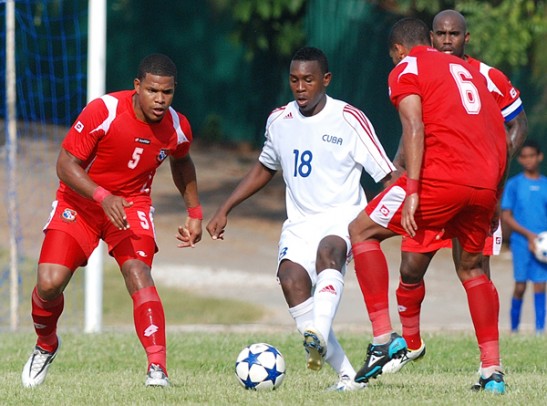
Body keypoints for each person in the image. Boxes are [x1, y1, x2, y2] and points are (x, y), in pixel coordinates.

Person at [206, 46, 395, 391]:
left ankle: (318, 333)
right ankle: (348, 376)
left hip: (343, 216)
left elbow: (386, 175)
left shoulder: (349, 118)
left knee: (329, 252)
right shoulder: (280, 120)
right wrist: (225, 207)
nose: (300, 87)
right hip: (300, 222)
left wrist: (403, 212)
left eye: (308, 80)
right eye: (294, 80)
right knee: (291, 279)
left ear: (326, 80)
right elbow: (265, 166)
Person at [21, 54, 202, 388]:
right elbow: (65, 165)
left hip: (132, 206)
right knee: (48, 282)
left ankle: (157, 368)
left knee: (138, 272)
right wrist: (102, 197)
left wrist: (194, 213)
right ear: (137, 86)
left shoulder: (177, 125)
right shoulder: (104, 111)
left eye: (167, 92)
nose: (160, 100)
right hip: (82, 202)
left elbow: (182, 160)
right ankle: (46, 345)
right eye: (152, 91)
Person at [348, 17, 507, 394]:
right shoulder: (470, 70)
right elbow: (499, 130)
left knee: (361, 230)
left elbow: (414, 127)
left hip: (440, 180)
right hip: (484, 183)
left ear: (398, 50)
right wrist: (494, 193)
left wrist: (415, 188)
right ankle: (492, 371)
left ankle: (384, 339)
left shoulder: (408, 67)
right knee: (472, 271)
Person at [382, 8, 528, 376]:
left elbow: (517, 123)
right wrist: (399, 165)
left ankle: (490, 360)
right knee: (411, 266)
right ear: (431, 38)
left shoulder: (486, 75)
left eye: (455, 34)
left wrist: (494, 170)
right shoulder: (427, 70)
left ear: (467, 39)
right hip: (435, 182)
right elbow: (415, 124)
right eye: (441, 34)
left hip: (474, 186)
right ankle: (412, 343)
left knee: (476, 267)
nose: (447, 40)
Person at [501, 139, 547, 335]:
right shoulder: (514, 184)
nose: (528, 160)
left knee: (540, 286)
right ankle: (514, 330)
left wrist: (541, 239)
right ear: (520, 159)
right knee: (520, 286)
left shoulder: (545, 184)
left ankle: (539, 331)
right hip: (521, 243)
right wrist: (528, 236)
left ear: (539, 157)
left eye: (532, 156)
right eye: (524, 157)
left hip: (542, 246)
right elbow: (506, 215)